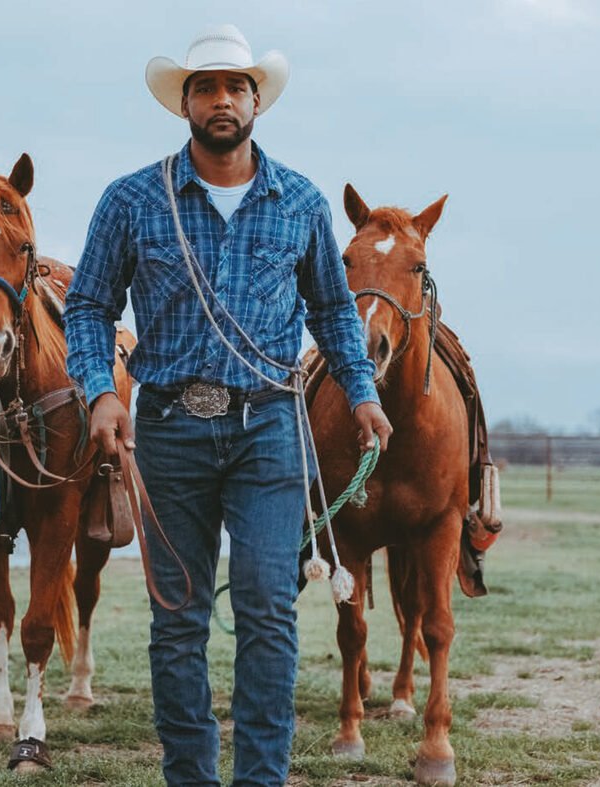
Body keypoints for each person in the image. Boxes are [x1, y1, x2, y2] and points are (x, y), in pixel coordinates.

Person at [64, 23, 393, 787]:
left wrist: (365, 392)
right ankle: (190, 778)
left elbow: (336, 313)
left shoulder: (302, 202)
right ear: (184, 103)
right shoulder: (131, 199)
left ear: (256, 101)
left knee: (268, 614)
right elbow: (86, 306)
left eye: (235, 87)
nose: (222, 100)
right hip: (172, 428)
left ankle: (260, 780)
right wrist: (101, 392)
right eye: (206, 87)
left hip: (271, 427)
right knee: (177, 618)